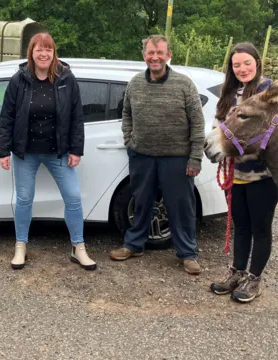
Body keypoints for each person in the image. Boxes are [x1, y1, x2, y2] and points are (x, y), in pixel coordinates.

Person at [0, 33, 96, 271]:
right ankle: (21, 245)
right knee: (24, 199)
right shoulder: (19, 80)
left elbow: (76, 117)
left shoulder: (67, 79)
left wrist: (76, 149)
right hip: (26, 152)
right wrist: (3, 150)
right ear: (31, 52)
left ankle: (78, 247)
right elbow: (7, 117)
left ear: (54, 53)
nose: (44, 54)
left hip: (58, 151)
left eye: (48, 50)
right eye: (39, 50)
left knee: (73, 197)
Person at [109, 35, 205, 275]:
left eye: (160, 52)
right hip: (142, 156)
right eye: (151, 52)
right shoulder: (134, 84)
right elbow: (127, 114)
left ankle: (188, 254)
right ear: (144, 55)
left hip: (177, 158)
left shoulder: (184, 84)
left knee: (180, 207)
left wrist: (195, 158)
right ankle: (134, 245)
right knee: (141, 203)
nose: (155, 57)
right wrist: (130, 140)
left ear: (168, 55)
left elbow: (198, 123)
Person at [209, 42, 278, 302]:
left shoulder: (269, 92)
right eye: (236, 64)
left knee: (261, 228)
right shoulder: (228, 92)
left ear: (257, 63)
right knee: (241, 226)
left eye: (247, 63)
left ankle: (255, 278)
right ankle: (237, 271)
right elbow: (221, 128)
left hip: (264, 175)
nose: (242, 69)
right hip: (237, 173)